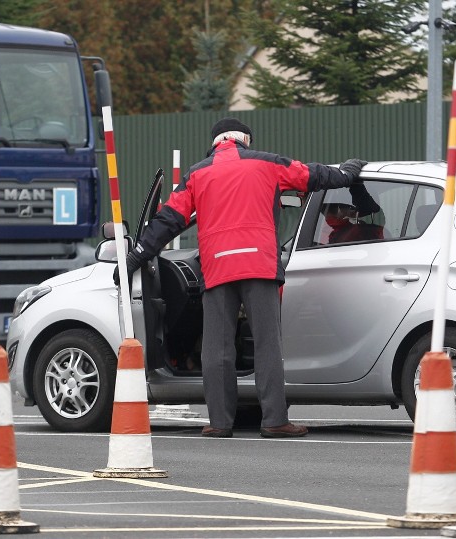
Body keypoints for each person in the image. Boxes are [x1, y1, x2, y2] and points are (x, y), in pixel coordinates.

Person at [114, 117, 367, 438]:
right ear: (245, 139)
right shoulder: (268, 163)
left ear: (215, 141)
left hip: (218, 267)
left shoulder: (197, 173)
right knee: (266, 343)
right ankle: (275, 420)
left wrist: (137, 255)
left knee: (216, 347)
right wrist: (345, 174)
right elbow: (311, 175)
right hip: (259, 264)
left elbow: (169, 220)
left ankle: (219, 423)